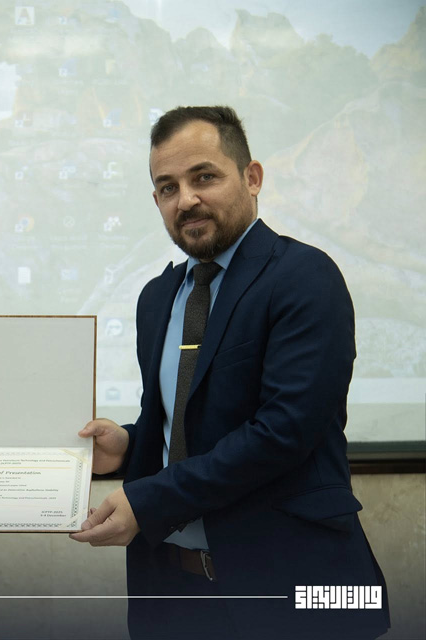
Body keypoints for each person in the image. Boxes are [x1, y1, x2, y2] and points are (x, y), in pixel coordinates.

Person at [70, 106, 389, 639]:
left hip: (293, 593)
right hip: (172, 596)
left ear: (252, 177)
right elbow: (186, 424)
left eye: (204, 177)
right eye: (167, 187)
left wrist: (149, 500)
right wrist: (128, 445)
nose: (185, 200)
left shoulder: (304, 276)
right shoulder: (157, 297)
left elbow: (283, 432)